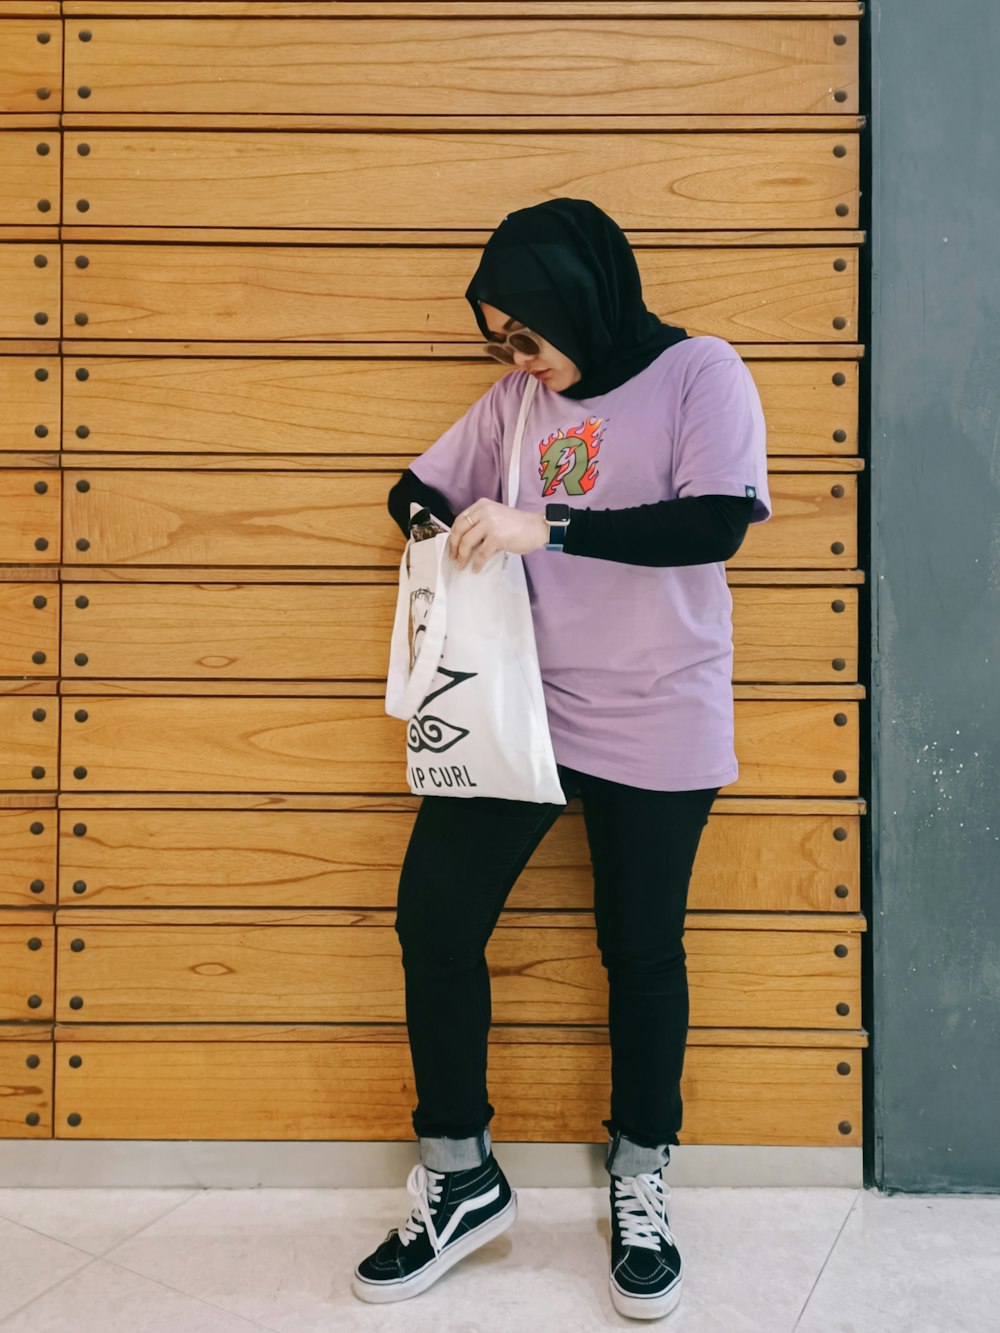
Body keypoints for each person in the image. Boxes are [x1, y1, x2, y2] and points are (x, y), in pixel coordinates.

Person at [352, 198, 770, 1320]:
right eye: (502, 342)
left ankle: (639, 1175)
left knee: (638, 949)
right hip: (519, 714)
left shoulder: (700, 374)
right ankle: (458, 1173)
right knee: (433, 921)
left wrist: (553, 527)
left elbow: (716, 523)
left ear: (580, 300)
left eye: (525, 336)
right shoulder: (515, 404)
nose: (516, 359)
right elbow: (418, 486)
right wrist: (427, 528)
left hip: (660, 711)